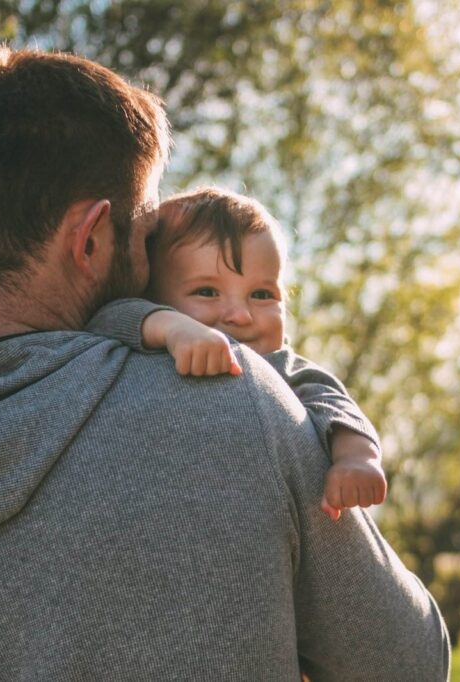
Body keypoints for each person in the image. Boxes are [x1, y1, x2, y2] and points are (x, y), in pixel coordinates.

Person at [0, 46, 450, 681]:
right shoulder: (236, 407)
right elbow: (407, 663)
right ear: (92, 236)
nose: (154, 253)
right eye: (149, 230)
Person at [92, 187, 388, 521]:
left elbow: (334, 405)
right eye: (207, 292)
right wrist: (170, 327)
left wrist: (356, 460)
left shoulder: (280, 367)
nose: (240, 315)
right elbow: (106, 319)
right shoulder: (155, 338)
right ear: (154, 296)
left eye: (262, 294)